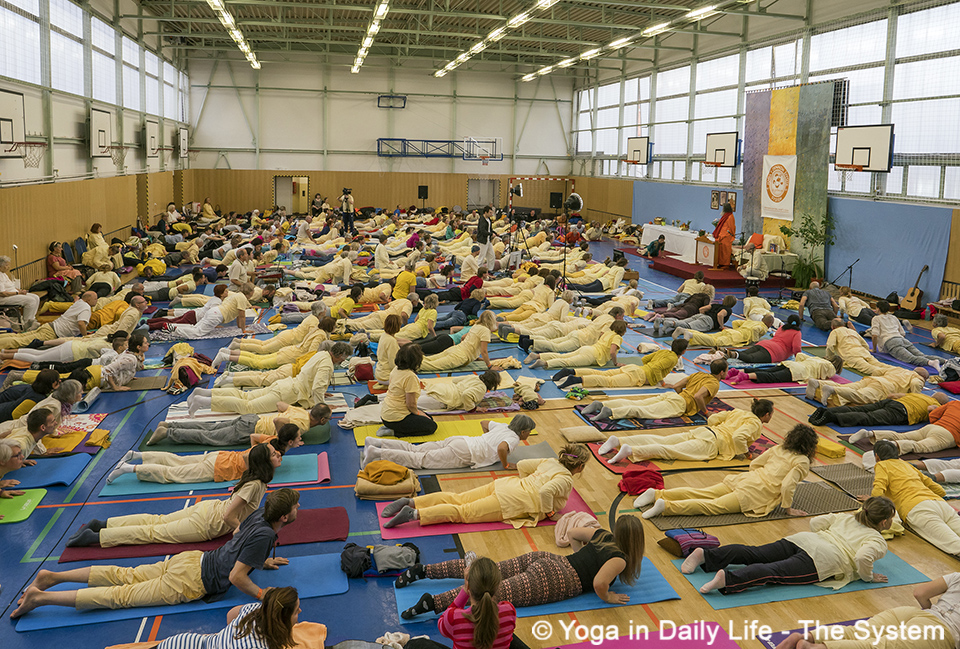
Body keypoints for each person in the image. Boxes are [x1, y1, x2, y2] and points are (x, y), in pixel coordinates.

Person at [10, 488, 301, 618]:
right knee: (120, 596)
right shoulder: (266, 533)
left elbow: (239, 538)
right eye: (295, 508)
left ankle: (52, 577)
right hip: (193, 581)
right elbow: (238, 577)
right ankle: (42, 597)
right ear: (285, 517)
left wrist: (261, 559)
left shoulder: (260, 514)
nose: (298, 510)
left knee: (124, 575)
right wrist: (264, 594)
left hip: (194, 558)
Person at [397, 515, 644, 620]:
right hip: (558, 579)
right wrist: (608, 596)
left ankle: (424, 571)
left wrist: (581, 556)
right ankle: (432, 603)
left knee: (488, 570)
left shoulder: (601, 534)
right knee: (492, 592)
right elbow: (599, 583)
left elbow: (572, 533)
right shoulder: (620, 558)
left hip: (551, 559)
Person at [67, 443, 280, 548]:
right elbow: (228, 517)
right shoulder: (255, 484)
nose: (278, 455)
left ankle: (101, 524)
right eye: (273, 453)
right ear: (264, 462)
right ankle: (96, 537)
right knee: (154, 533)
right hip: (208, 522)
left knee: (156, 521)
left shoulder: (254, 478)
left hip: (208, 509)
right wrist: (242, 531)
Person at [683, 496, 895, 595]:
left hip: (803, 539)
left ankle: (705, 555)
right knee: (773, 572)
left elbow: (816, 523)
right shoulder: (877, 540)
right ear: (884, 522)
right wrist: (869, 577)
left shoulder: (848, 517)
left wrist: (820, 540)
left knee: (754, 552)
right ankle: (727, 579)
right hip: (823, 559)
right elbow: (862, 558)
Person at [635, 423, 819, 519]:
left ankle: (657, 494)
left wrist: (756, 477)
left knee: (703, 492)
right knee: (713, 506)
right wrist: (787, 509)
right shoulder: (802, 461)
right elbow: (787, 485)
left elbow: (754, 465)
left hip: (745, 480)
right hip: (755, 493)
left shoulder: (780, 448)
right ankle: (666, 506)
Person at [381, 445, 590, 529]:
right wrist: (550, 512)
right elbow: (546, 492)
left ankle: (409, 501)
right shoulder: (566, 479)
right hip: (512, 500)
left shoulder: (551, 461)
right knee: (462, 513)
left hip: (505, 485)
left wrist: (526, 482)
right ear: (579, 467)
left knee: (458, 497)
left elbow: (525, 465)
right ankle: (414, 514)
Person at [775, 575, 960, 649]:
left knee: (859, 631)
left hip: (914, 613)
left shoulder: (957, 576)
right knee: (874, 646)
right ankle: (818, 648)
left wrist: (927, 614)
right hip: (940, 631)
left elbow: (919, 593)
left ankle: (809, 636)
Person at [107, 425, 299, 485]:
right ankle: (127, 468)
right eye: (299, 439)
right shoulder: (270, 456)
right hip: (219, 467)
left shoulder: (272, 439)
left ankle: (136, 455)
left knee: (177, 460)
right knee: (174, 473)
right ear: (289, 442)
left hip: (221, 456)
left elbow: (254, 438)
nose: (302, 440)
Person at [190, 343, 351, 415]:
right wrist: (322, 408)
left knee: (246, 396)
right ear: (339, 356)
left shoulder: (322, 354)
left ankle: (205, 394)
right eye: (344, 358)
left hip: (286, 384)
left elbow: (313, 383)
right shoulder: (327, 365)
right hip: (287, 392)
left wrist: (318, 393)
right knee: (248, 407)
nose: (344, 362)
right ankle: (203, 401)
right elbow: (317, 388)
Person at [598, 398, 773, 464]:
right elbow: (738, 437)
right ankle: (631, 450)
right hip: (712, 443)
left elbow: (713, 419)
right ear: (765, 415)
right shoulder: (756, 423)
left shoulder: (739, 411)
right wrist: (746, 454)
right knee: (669, 451)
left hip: (703, 431)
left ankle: (618, 440)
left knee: (665, 440)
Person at [869, 440, 960, 555]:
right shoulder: (907, 465)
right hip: (940, 504)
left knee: (955, 545)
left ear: (877, 457)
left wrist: (870, 504)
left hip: (919, 509)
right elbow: (940, 491)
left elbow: (878, 490)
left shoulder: (881, 465)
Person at [364, 414, 535, 471]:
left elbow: (484, 423)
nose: (529, 434)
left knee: (413, 448)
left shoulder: (504, 426)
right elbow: (502, 448)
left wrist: (486, 439)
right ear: (523, 431)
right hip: (465, 453)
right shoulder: (513, 438)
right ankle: (376, 453)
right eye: (529, 431)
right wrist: (505, 464)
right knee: (420, 460)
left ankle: (375, 442)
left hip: (461, 440)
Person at [154, 586, 302, 649]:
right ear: (281, 618)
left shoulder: (256, 609)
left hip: (181, 642)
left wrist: (228, 637)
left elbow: (230, 615)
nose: (300, 611)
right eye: (296, 611)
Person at [583, 359, 727, 422]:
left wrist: (681, 396)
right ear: (721, 372)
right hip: (679, 403)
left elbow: (677, 386)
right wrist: (706, 412)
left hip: (672, 396)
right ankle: (612, 412)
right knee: (643, 411)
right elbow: (698, 396)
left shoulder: (699, 374)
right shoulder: (714, 383)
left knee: (640, 403)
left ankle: (600, 404)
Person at [147, 403, 332, 447]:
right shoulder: (303, 425)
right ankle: (167, 434)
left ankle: (169, 425)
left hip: (251, 418)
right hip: (250, 429)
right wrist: (281, 439)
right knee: (208, 437)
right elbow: (279, 421)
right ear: (322, 420)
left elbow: (281, 406)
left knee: (211, 428)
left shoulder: (301, 411)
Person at [555, 339, 688, 390]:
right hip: (638, 376)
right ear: (683, 351)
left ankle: (572, 371)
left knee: (603, 373)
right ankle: (576, 379)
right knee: (608, 381)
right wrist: (663, 383)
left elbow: (646, 359)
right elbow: (656, 368)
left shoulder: (664, 351)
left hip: (636, 368)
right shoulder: (673, 359)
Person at [848, 399, 960, 457]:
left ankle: (869, 434)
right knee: (920, 446)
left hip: (931, 427)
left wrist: (936, 424)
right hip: (947, 435)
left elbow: (933, 414)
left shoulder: (955, 403)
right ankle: (892, 446)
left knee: (902, 435)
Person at [0, 291, 97, 350]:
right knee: (20, 341)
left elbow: (77, 301)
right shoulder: (86, 308)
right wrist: (85, 337)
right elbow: (81, 323)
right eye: (95, 299)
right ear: (88, 300)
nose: (96, 301)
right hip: (52, 333)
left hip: (50, 327)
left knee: (20, 337)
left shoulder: (80, 302)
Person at [380, 344, 437, 437]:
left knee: (429, 418)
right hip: (396, 418)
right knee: (432, 426)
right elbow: (410, 404)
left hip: (385, 415)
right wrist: (419, 413)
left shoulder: (396, 369)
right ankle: (394, 432)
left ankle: (392, 428)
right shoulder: (410, 376)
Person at [870, 300, 941, 371]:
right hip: (902, 339)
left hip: (891, 342)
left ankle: (931, 363)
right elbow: (903, 333)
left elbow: (874, 335)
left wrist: (874, 349)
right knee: (922, 355)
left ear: (878, 309)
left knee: (911, 358)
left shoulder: (876, 319)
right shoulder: (893, 317)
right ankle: (946, 361)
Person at [807, 366, 928, 407]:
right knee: (862, 396)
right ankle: (833, 389)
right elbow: (916, 385)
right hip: (884, 387)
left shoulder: (900, 369)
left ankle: (819, 383)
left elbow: (878, 371)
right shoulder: (917, 378)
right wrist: (916, 397)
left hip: (873, 379)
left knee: (850, 386)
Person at [808, 392, 946, 428]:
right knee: (868, 417)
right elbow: (930, 409)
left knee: (861, 408)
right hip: (902, 412)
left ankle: (831, 411)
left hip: (891, 402)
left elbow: (893, 395)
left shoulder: (920, 395)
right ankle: (831, 418)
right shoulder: (937, 404)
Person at [528, 320, 626, 370]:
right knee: (567, 361)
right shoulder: (617, 337)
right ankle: (545, 363)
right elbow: (612, 352)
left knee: (563, 355)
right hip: (592, 355)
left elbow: (602, 338)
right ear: (623, 331)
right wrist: (616, 363)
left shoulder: (608, 332)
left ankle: (537, 356)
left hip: (588, 348)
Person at [419, 311, 497, 372]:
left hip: (455, 349)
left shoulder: (476, 326)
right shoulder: (486, 331)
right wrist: (490, 366)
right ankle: (410, 364)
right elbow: (484, 351)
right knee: (432, 365)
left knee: (429, 359)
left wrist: (473, 356)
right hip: (460, 356)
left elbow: (463, 338)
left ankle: (412, 359)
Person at [727, 353, 842, 386]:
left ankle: (737, 371)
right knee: (771, 377)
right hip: (798, 372)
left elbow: (800, 355)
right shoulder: (830, 367)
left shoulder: (816, 358)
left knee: (768, 371)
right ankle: (745, 376)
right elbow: (829, 375)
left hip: (790, 364)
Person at [825, 318, 890, 376]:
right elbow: (865, 345)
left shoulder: (834, 332)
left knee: (869, 368)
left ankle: (891, 375)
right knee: (879, 364)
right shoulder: (852, 331)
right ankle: (897, 371)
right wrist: (865, 352)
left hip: (851, 354)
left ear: (832, 327)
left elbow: (830, 346)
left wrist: (830, 358)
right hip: (863, 351)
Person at [726, 315, 802, 363]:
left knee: (744, 353)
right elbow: (796, 348)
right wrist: (800, 360)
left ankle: (724, 352)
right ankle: (735, 354)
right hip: (774, 352)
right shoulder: (797, 332)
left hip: (764, 344)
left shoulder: (782, 328)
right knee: (751, 359)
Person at [657, 295, 737, 338]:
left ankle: (662, 320)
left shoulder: (716, 305)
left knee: (682, 321)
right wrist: (721, 326)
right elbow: (720, 315)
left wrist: (702, 315)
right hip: (708, 321)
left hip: (701, 315)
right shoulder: (728, 309)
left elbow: (702, 309)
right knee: (688, 327)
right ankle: (671, 323)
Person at [677, 314, 773, 348]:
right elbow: (756, 330)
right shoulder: (764, 327)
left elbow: (735, 322)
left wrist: (735, 330)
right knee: (714, 342)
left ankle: (685, 330)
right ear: (769, 324)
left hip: (731, 331)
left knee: (711, 336)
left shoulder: (752, 321)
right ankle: (691, 335)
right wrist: (755, 341)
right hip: (736, 337)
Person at [0, 255, 40, 329]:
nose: (8, 267)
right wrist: (18, 293)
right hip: (4, 299)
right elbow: (2, 293)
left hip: (12, 294)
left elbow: (10, 286)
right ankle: (26, 323)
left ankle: (32, 319)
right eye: (6, 265)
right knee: (31, 301)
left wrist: (20, 290)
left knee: (36, 297)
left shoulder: (3, 273)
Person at [646, 270, 715, 309]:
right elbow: (700, 295)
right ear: (703, 278)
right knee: (683, 303)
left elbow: (679, 290)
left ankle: (653, 302)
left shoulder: (688, 280)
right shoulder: (702, 285)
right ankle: (673, 305)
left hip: (681, 294)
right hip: (689, 296)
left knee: (669, 300)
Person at [374, 313, 403, 387]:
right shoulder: (391, 341)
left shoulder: (384, 336)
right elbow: (394, 363)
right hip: (386, 377)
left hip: (379, 374)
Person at [712, 203, 735, 268]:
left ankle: (726, 264)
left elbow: (731, 227)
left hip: (726, 236)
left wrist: (732, 236)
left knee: (725, 251)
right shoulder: (725, 215)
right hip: (721, 235)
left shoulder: (730, 216)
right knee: (720, 250)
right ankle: (720, 263)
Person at [477, 205, 496, 270]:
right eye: (490, 212)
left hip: (488, 240)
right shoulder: (482, 220)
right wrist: (491, 234)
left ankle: (490, 269)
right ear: (485, 212)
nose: (491, 214)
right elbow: (482, 231)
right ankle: (478, 270)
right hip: (482, 241)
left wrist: (495, 233)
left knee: (491, 256)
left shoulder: (489, 220)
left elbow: (490, 229)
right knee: (481, 257)